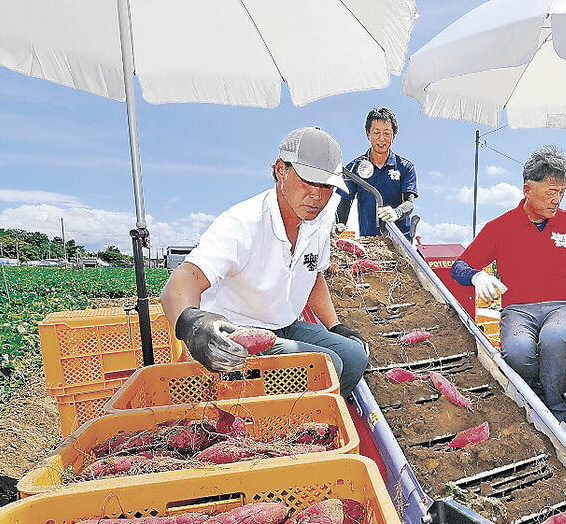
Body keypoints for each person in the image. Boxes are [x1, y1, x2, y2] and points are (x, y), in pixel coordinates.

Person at [161, 127, 369, 398]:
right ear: (281, 170)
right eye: (308, 181)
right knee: (328, 364)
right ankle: (283, 425)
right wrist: (193, 323)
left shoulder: (318, 221)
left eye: (327, 186)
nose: (317, 196)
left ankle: (316, 419)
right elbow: (182, 281)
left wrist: (335, 327)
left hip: (284, 324)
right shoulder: (243, 222)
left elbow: (314, 276)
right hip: (239, 330)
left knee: (353, 355)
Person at [450, 146, 566, 422]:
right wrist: (478, 276)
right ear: (527, 189)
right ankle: (538, 400)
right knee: (518, 351)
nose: (557, 200)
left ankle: (557, 414)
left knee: (555, 339)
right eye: (550, 192)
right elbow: (459, 266)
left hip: (562, 306)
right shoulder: (500, 227)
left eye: (561, 193)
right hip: (518, 309)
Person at [335, 107, 418, 241]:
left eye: (386, 133)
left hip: (401, 239)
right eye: (376, 132)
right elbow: (345, 203)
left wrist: (397, 212)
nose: (381, 139)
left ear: (393, 136)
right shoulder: (354, 168)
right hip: (369, 241)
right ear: (368, 134)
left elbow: (409, 203)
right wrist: (339, 226)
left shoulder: (405, 167)